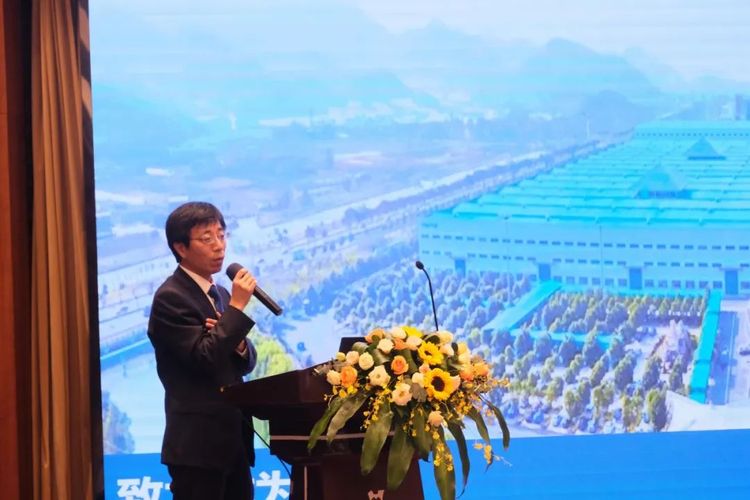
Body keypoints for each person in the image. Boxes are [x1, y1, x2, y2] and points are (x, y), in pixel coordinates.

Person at [148, 201, 258, 500]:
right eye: (207, 238)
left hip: (233, 441)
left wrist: (238, 342)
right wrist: (237, 309)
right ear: (181, 247)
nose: (219, 246)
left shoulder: (219, 293)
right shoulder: (171, 297)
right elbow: (205, 358)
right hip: (197, 447)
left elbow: (244, 363)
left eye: (221, 235)